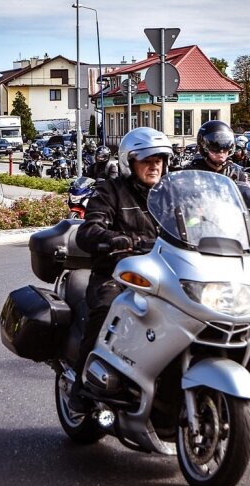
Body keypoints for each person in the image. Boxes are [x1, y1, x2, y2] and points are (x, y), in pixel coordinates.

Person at [69, 127, 171, 413]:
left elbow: (196, 221)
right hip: (118, 274)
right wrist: (113, 238)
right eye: (147, 160)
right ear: (130, 161)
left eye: (159, 159)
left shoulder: (170, 195)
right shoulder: (110, 191)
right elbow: (89, 230)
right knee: (106, 308)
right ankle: (82, 386)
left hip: (163, 275)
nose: (154, 166)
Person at [185, 120, 250, 230]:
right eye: (215, 145)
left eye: (225, 145)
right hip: (197, 227)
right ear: (204, 146)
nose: (221, 149)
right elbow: (177, 200)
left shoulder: (237, 172)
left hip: (231, 228)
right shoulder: (190, 172)